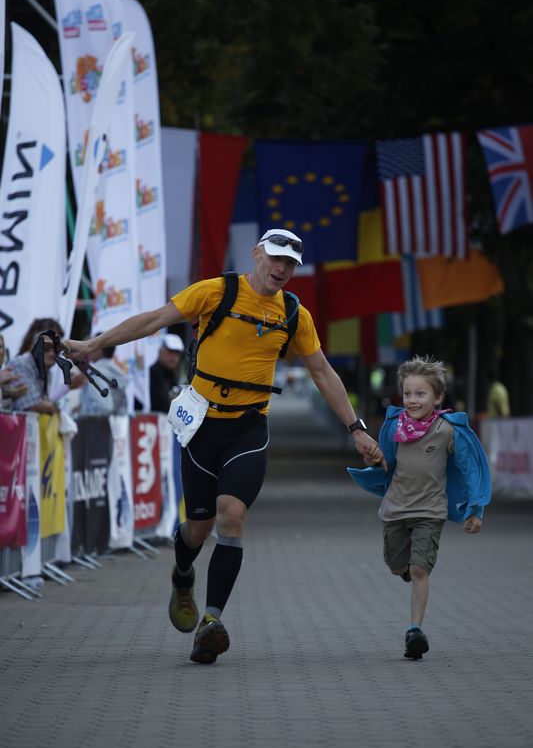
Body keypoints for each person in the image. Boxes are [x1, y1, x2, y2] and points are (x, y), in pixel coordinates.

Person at [65, 228, 385, 664]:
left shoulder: (294, 314)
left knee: (231, 515)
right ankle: (182, 575)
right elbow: (154, 320)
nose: (281, 269)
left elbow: (323, 372)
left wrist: (356, 429)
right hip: (201, 425)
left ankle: (211, 622)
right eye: (275, 258)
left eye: (290, 264)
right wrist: (93, 344)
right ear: (257, 254)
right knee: (196, 529)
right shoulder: (217, 292)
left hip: (248, 430)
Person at [348, 355, 491, 661]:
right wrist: (372, 459)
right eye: (408, 394)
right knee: (397, 567)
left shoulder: (447, 430)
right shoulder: (393, 427)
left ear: (437, 397)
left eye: (420, 394)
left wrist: (476, 508)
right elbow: (384, 462)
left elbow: (470, 468)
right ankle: (406, 572)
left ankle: (415, 631)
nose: (412, 400)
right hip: (395, 510)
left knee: (419, 569)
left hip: (430, 511)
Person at [5, 333, 59, 414]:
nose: (52, 354)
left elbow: (45, 402)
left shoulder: (48, 373)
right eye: (46, 349)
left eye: (56, 351)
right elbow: (33, 405)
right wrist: (53, 407)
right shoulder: (20, 363)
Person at [78, 340, 129, 416]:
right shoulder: (115, 371)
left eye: (91, 346)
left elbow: (105, 407)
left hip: (96, 422)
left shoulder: (96, 374)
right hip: (117, 420)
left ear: (100, 350)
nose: (88, 350)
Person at [149, 333, 184, 412]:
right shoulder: (150, 376)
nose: (174, 358)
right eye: (170, 352)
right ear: (160, 351)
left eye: (177, 354)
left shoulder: (174, 377)